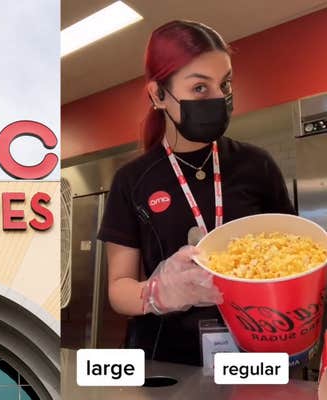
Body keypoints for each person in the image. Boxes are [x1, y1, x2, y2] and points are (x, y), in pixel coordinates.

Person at [97, 20, 295, 366]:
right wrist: (156, 294)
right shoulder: (133, 180)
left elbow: (297, 260)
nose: (219, 98)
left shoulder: (256, 165)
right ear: (158, 95)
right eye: (200, 88)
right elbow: (118, 289)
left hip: (254, 351)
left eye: (225, 84)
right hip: (164, 360)